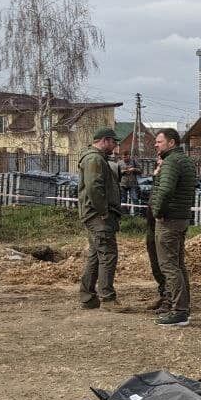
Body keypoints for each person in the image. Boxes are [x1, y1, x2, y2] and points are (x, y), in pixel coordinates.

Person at [150, 128, 197, 327]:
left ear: (171, 143)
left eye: (159, 142)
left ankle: (179, 311)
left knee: (169, 266)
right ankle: (184, 307)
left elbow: (166, 189)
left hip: (169, 219)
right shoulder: (184, 160)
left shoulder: (171, 162)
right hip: (181, 217)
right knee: (178, 264)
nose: (155, 145)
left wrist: (157, 211)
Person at [76, 127, 122, 309]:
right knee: (108, 254)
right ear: (104, 140)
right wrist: (103, 211)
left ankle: (88, 297)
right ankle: (108, 298)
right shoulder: (94, 159)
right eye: (114, 142)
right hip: (98, 215)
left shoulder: (95, 158)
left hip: (94, 213)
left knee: (96, 255)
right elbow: (94, 187)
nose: (115, 146)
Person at [145, 149, 168, 312]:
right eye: (158, 159)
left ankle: (170, 296)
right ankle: (163, 292)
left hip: (163, 223)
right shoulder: (159, 177)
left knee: (165, 262)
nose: (158, 161)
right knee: (155, 261)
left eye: (161, 159)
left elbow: (164, 196)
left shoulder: (168, 176)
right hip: (151, 223)